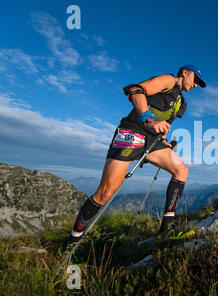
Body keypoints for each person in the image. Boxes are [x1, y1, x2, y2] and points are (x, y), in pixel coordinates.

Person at [63, 64, 206, 250]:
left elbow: (163, 123)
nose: (195, 84)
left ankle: (165, 230)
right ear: (185, 73)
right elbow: (135, 90)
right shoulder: (169, 81)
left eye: (198, 83)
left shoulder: (181, 103)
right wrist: (149, 120)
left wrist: (165, 140)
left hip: (152, 140)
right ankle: (71, 243)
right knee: (105, 192)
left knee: (181, 170)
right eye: (195, 79)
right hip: (133, 132)